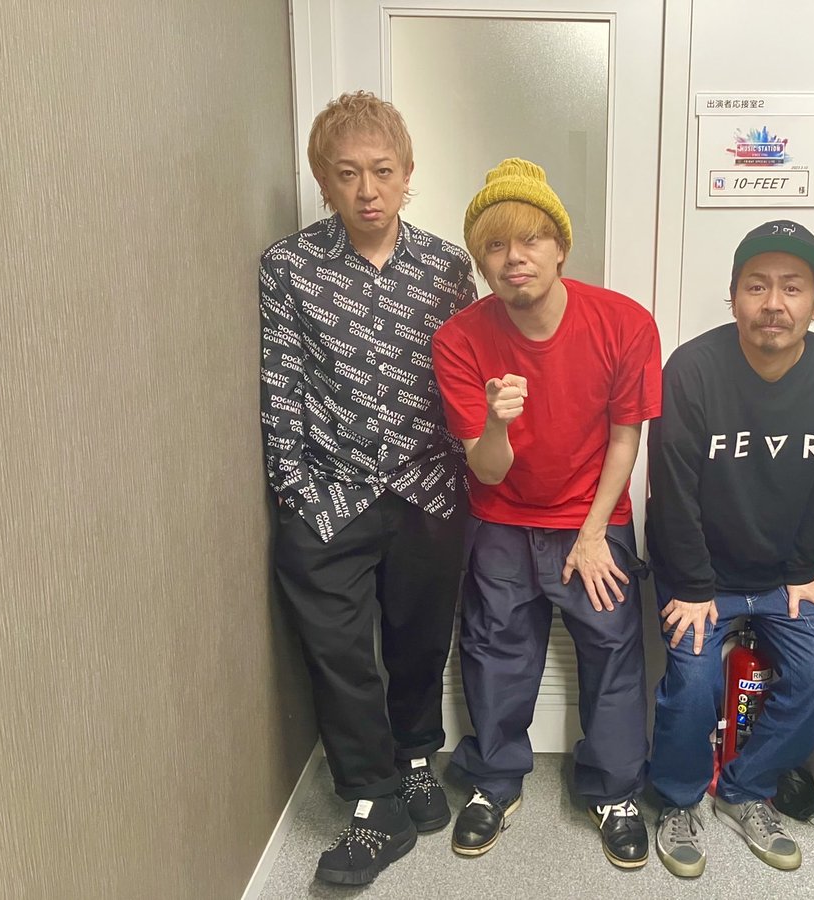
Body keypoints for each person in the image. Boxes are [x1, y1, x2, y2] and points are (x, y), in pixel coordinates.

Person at [258, 91, 476, 886]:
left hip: (428, 491)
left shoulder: (447, 269)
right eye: (347, 174)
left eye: (382, 171)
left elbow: (466, 380)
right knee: (341, 655)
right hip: (330, 497)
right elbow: (281, 382)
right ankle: (373, 802)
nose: (367, 190)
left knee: (420, 639)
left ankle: (415, 759)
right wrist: (294, 488)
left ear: (408, 173)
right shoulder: (288, 268)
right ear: (323, 180)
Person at [431, 159, 662, 869]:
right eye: (495, 246)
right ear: (481, 263)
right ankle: (494, 781)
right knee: (494, 649)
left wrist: (593, 534)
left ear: (561, 247)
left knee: (612, 648)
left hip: (593, 516)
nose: (514, 258)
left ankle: (614, 791)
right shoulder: (459, 341)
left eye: (530, 239)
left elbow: (626, 437)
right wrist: (497, 422)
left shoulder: (624, 323)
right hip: (501, 517)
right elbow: (486, 469)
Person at [645, 220, 814, 878]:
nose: (774, 303)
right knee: (693, 684)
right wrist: (692, 585)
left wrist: (802, 570)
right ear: (734, 295)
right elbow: (672, 489)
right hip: (700, 574)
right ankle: (678, 800)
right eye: (757, 286)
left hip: (782, 576)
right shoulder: (693, 369)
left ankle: (745, 790)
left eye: (792, 288)